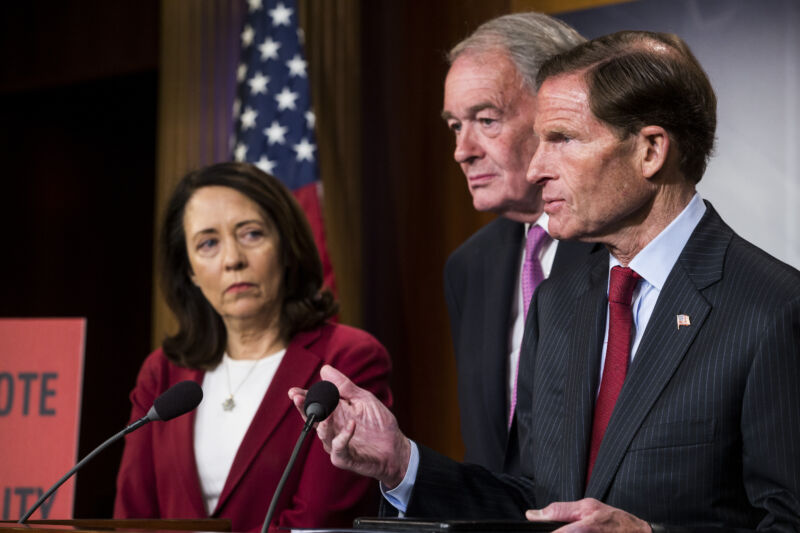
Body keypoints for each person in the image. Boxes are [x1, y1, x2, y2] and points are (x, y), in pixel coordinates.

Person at [290, 31, 800, 532]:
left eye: (561, 139)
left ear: (650, 151)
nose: (536, 168)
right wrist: (402, 463)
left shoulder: (774, 308)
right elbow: (535, 503)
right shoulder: (559, 301)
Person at [114, 162, 393, 532]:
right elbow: (132, 517)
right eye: (208, 243)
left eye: (251, 234)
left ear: (286, 245)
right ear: (190, 271)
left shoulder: (345, 360)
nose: (233, 260)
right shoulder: (163, 372)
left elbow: (317, 521)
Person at [442, 12, 597, 475]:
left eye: (486, 119)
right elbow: (489, 458)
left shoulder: (619, 248)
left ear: (557, 112)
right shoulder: (469, 266)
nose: (462, 150)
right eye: (454, 125)